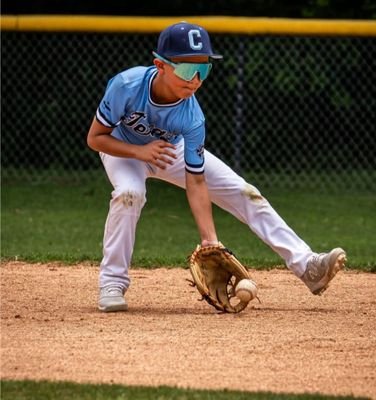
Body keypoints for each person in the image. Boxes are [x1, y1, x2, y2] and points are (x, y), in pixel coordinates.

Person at [87, 21, 346, 312]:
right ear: (160, 65)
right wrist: (139, 151)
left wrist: (210, 241)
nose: (196, 79)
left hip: (169, 149)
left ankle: (307, 265)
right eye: (187, 69)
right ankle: (112, 283)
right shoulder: (127, 86)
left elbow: (196, 182)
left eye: (204, 69)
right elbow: (96, 138)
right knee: (129, 194)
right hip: (123, 149)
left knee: (244, 191)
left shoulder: (192, 116)